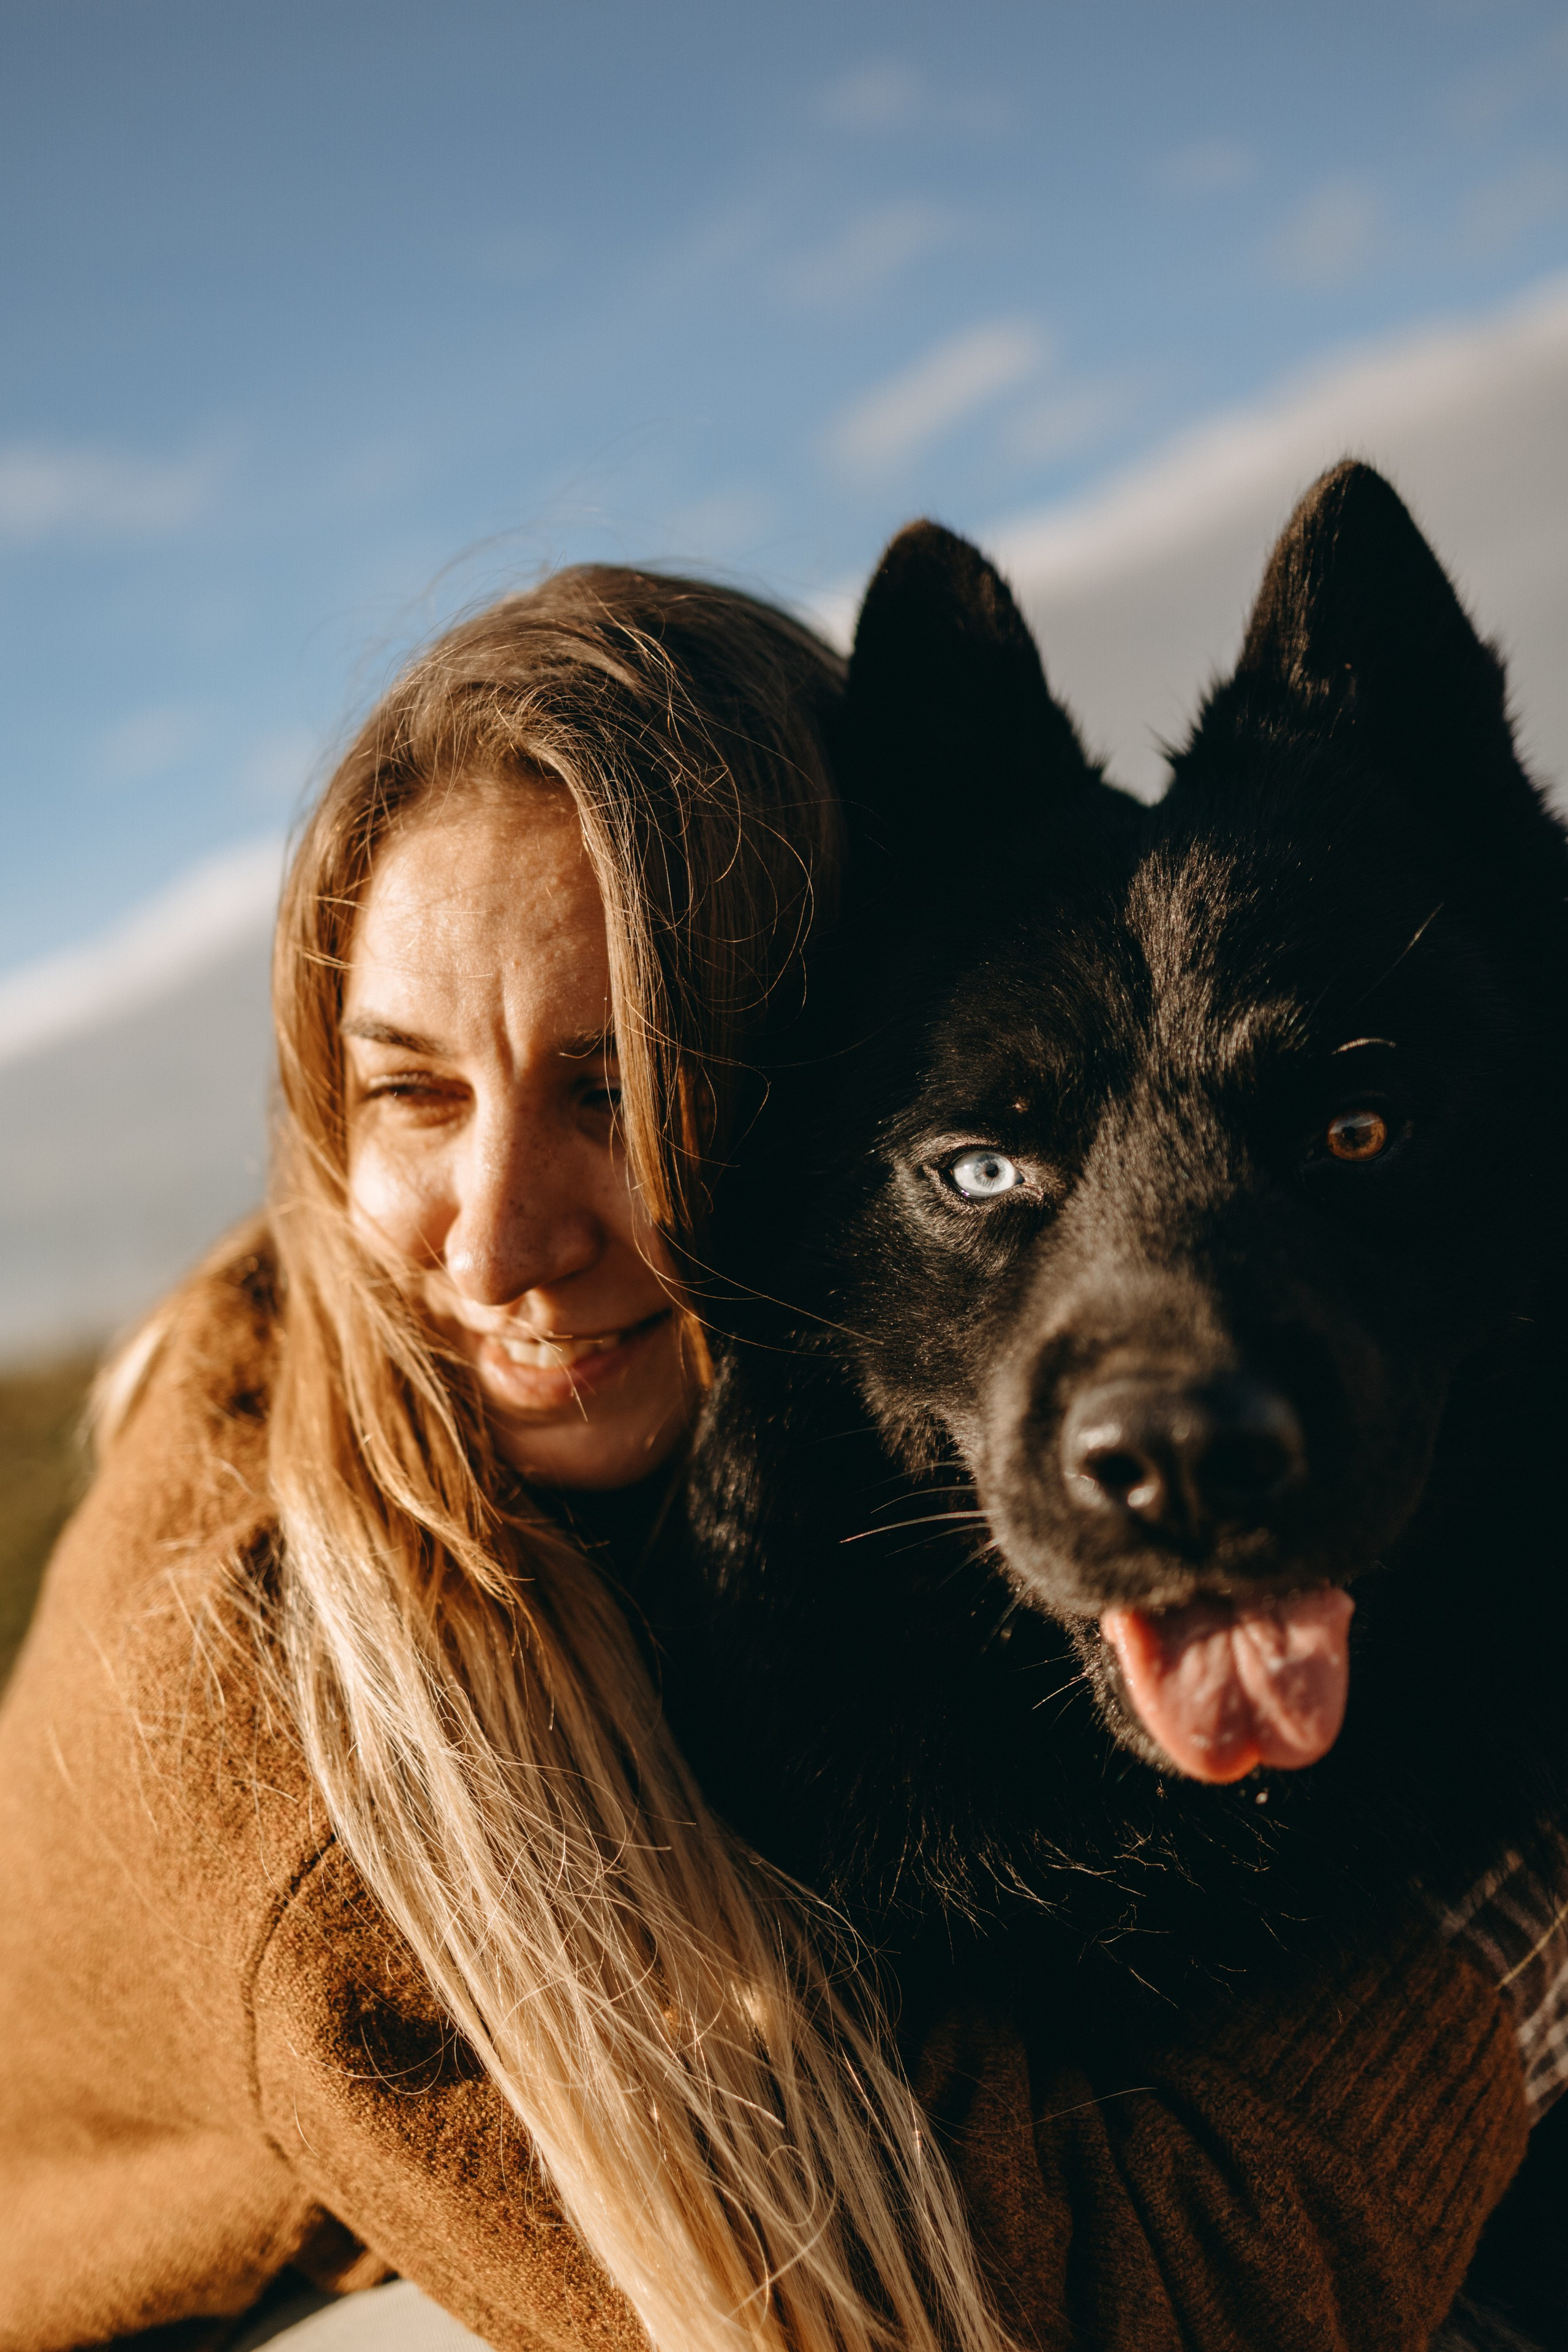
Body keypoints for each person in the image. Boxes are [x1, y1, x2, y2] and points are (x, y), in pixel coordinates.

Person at [0, 563, 1545, 2352]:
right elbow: (1061, 2314)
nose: (497, 1246)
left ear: (795, 1077)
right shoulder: (281, 1761)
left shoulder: (721, 1430)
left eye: (616, 1087)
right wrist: (1521, 1938)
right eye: (410, 1091)